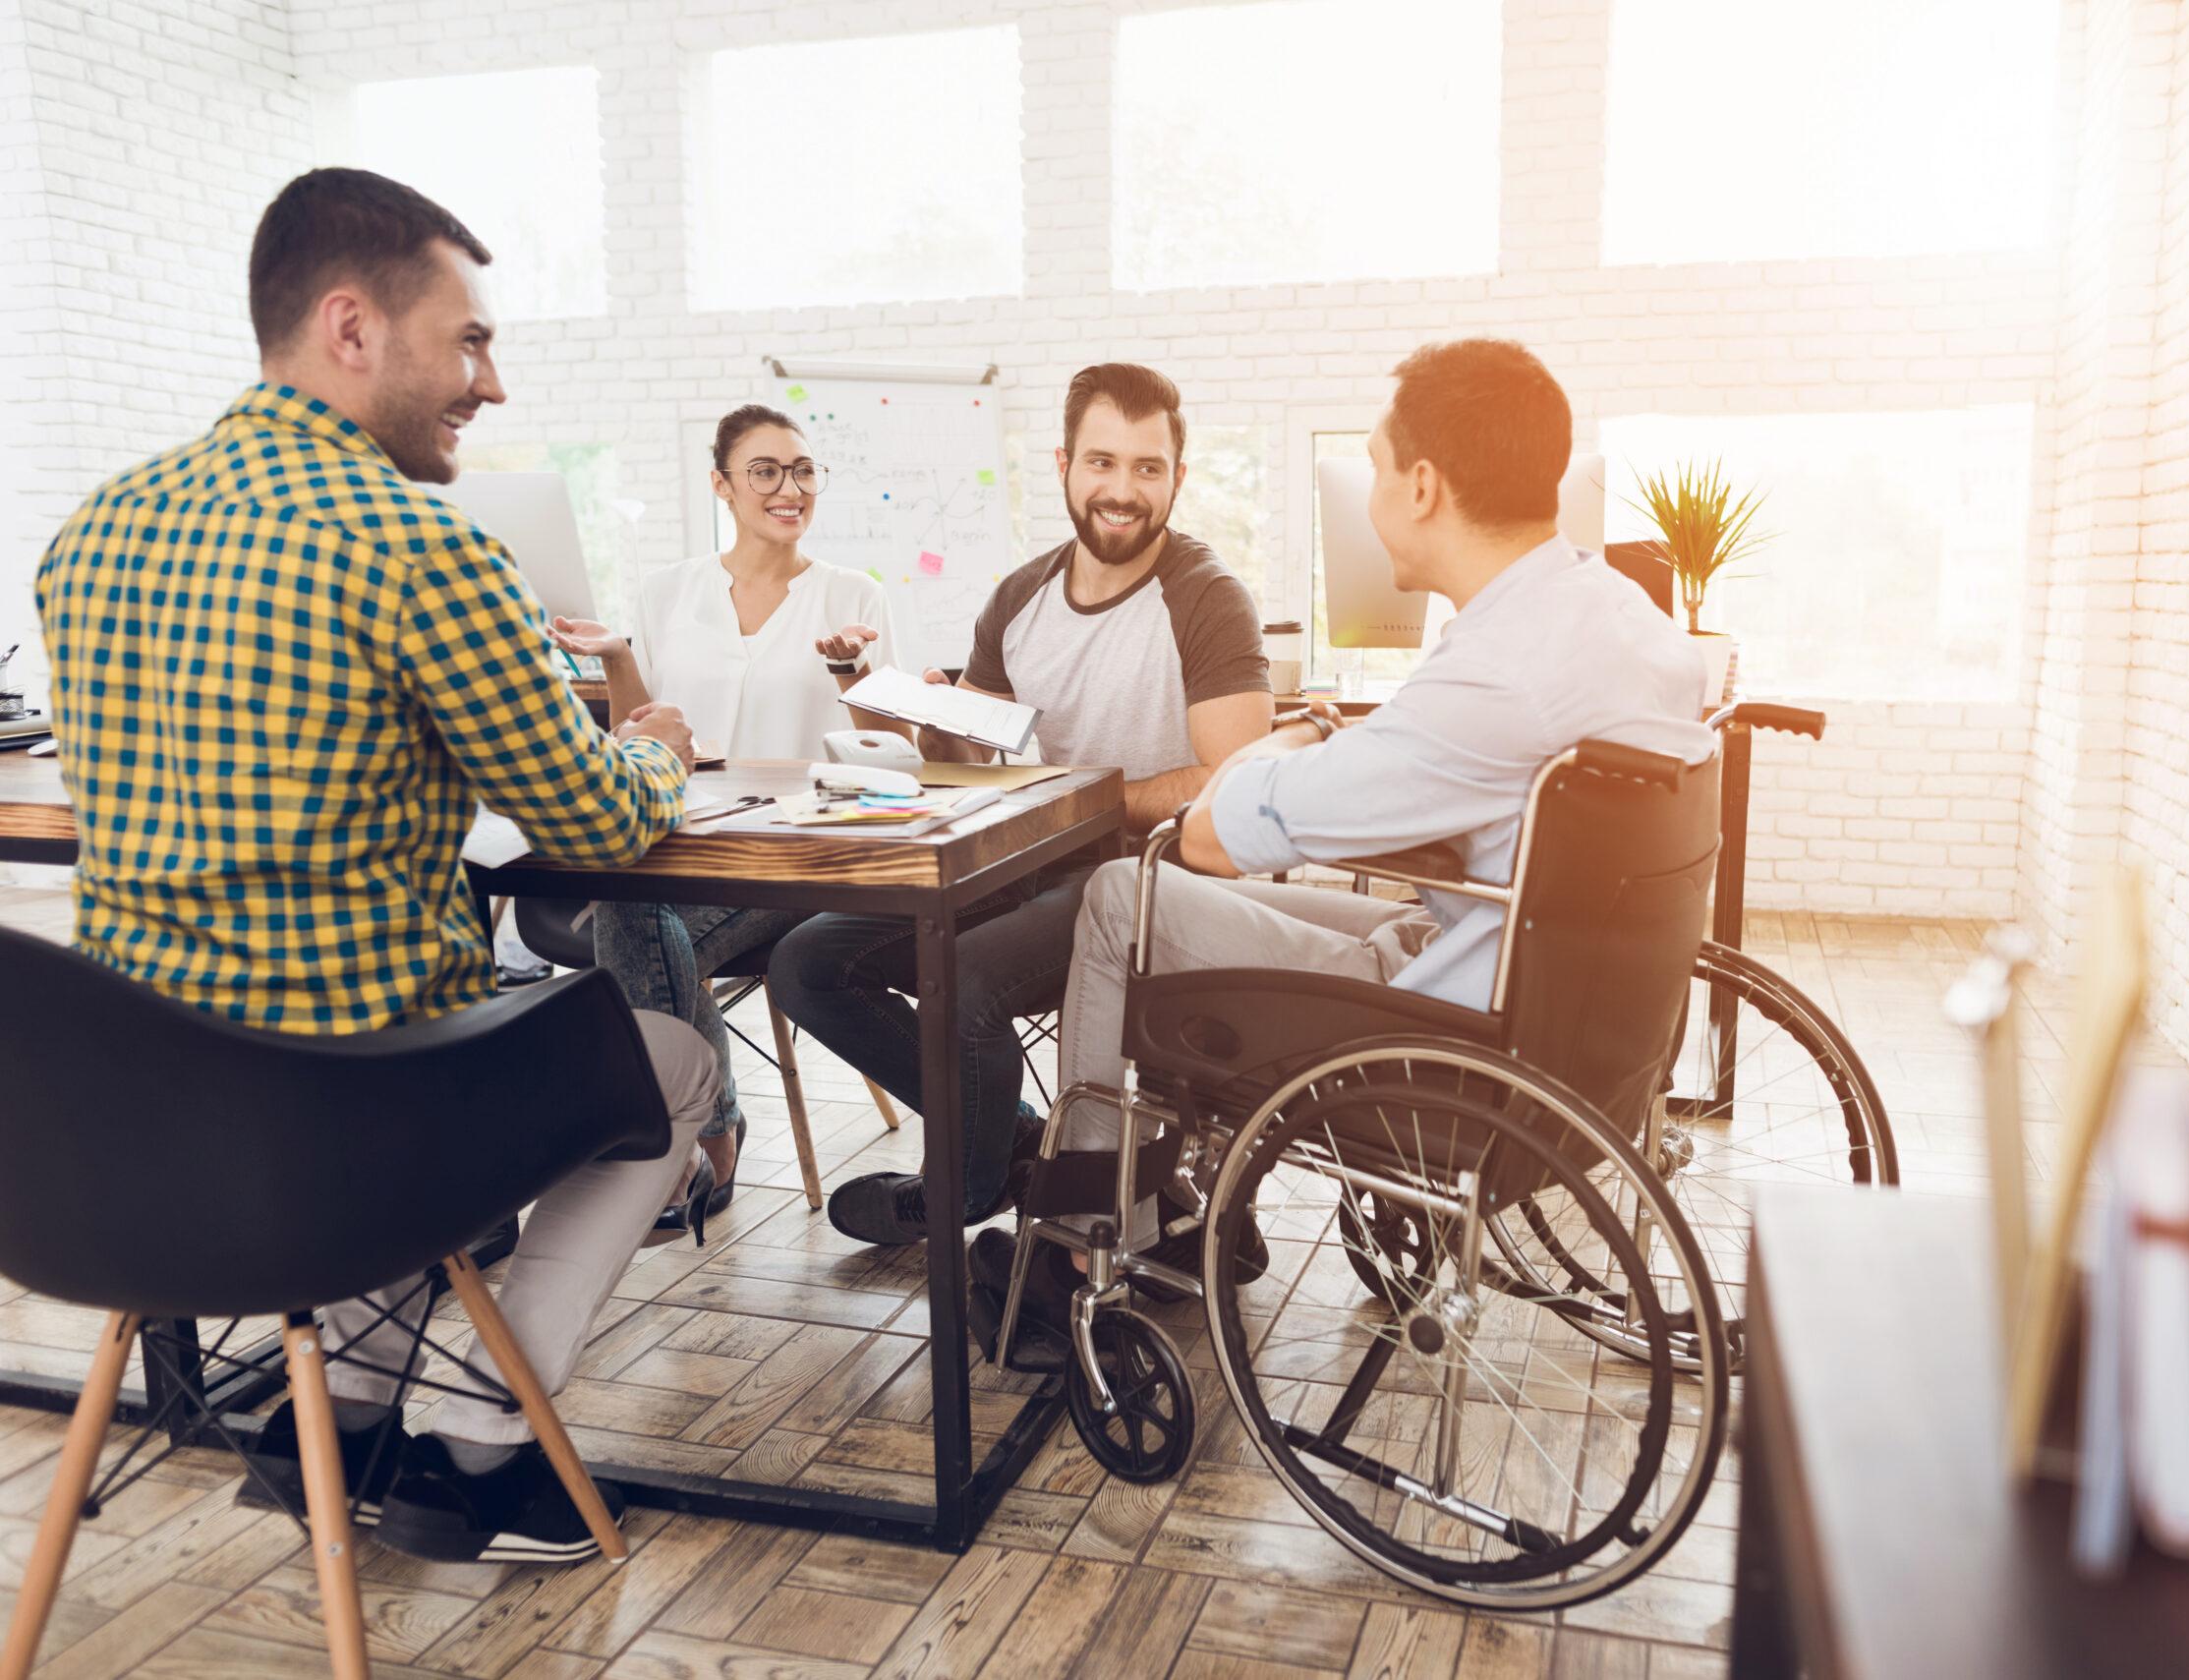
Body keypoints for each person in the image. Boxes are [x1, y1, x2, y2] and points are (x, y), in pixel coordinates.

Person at [32, 166, 716, 1566]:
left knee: (359, 1036)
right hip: (348, 1142)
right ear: (352, 327)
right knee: (670, 1059)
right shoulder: (416, 546)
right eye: (469, 341)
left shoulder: (85, 537)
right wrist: (653, 742)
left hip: (127, 1151)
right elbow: (589, 821)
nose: (493, 383)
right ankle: (477, 1437)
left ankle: (326, 1428)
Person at [968, 338, 1717, 1342]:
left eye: (1371, 465)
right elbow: (1462, 777)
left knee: (1123, 896)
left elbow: (1217, 833)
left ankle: (1081, 1243)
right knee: (1209, 905)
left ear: (1419, 485)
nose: (1367, 494)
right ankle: (1172, 1198)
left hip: (1457, 1029)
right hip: (1547, 993)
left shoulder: (1493, 673)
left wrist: (1297, 733)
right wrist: (1336, 758)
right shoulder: (1617, 614)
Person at [769, 363, 1272, 1248]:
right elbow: (970, 765)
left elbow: (1235, 778)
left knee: (962, 982)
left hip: (1154, 879)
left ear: (1177, 479)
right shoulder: (1018, 599)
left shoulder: (1205, 596)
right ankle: (1007, 1146)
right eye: (1102, 462)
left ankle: (957, 1190)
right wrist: (931, 722)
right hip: (1036, 860)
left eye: (1148, 468)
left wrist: (1079, 796)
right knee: (807, 962)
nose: (1123, 490)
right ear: (1065, 464)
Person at [544, 405, 894, 1232]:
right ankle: (709, 1124)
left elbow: (895, 754)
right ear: (722, 485)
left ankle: (690, 1139)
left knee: (622, 938)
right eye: (765, 471)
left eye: (803, 470)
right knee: (633, 907)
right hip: (687, 845)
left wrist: (852, 672)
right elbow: (644, 731)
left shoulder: (853, 593)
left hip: (802, 856)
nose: (789, 488)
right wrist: (622, 659)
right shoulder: (669, 590)